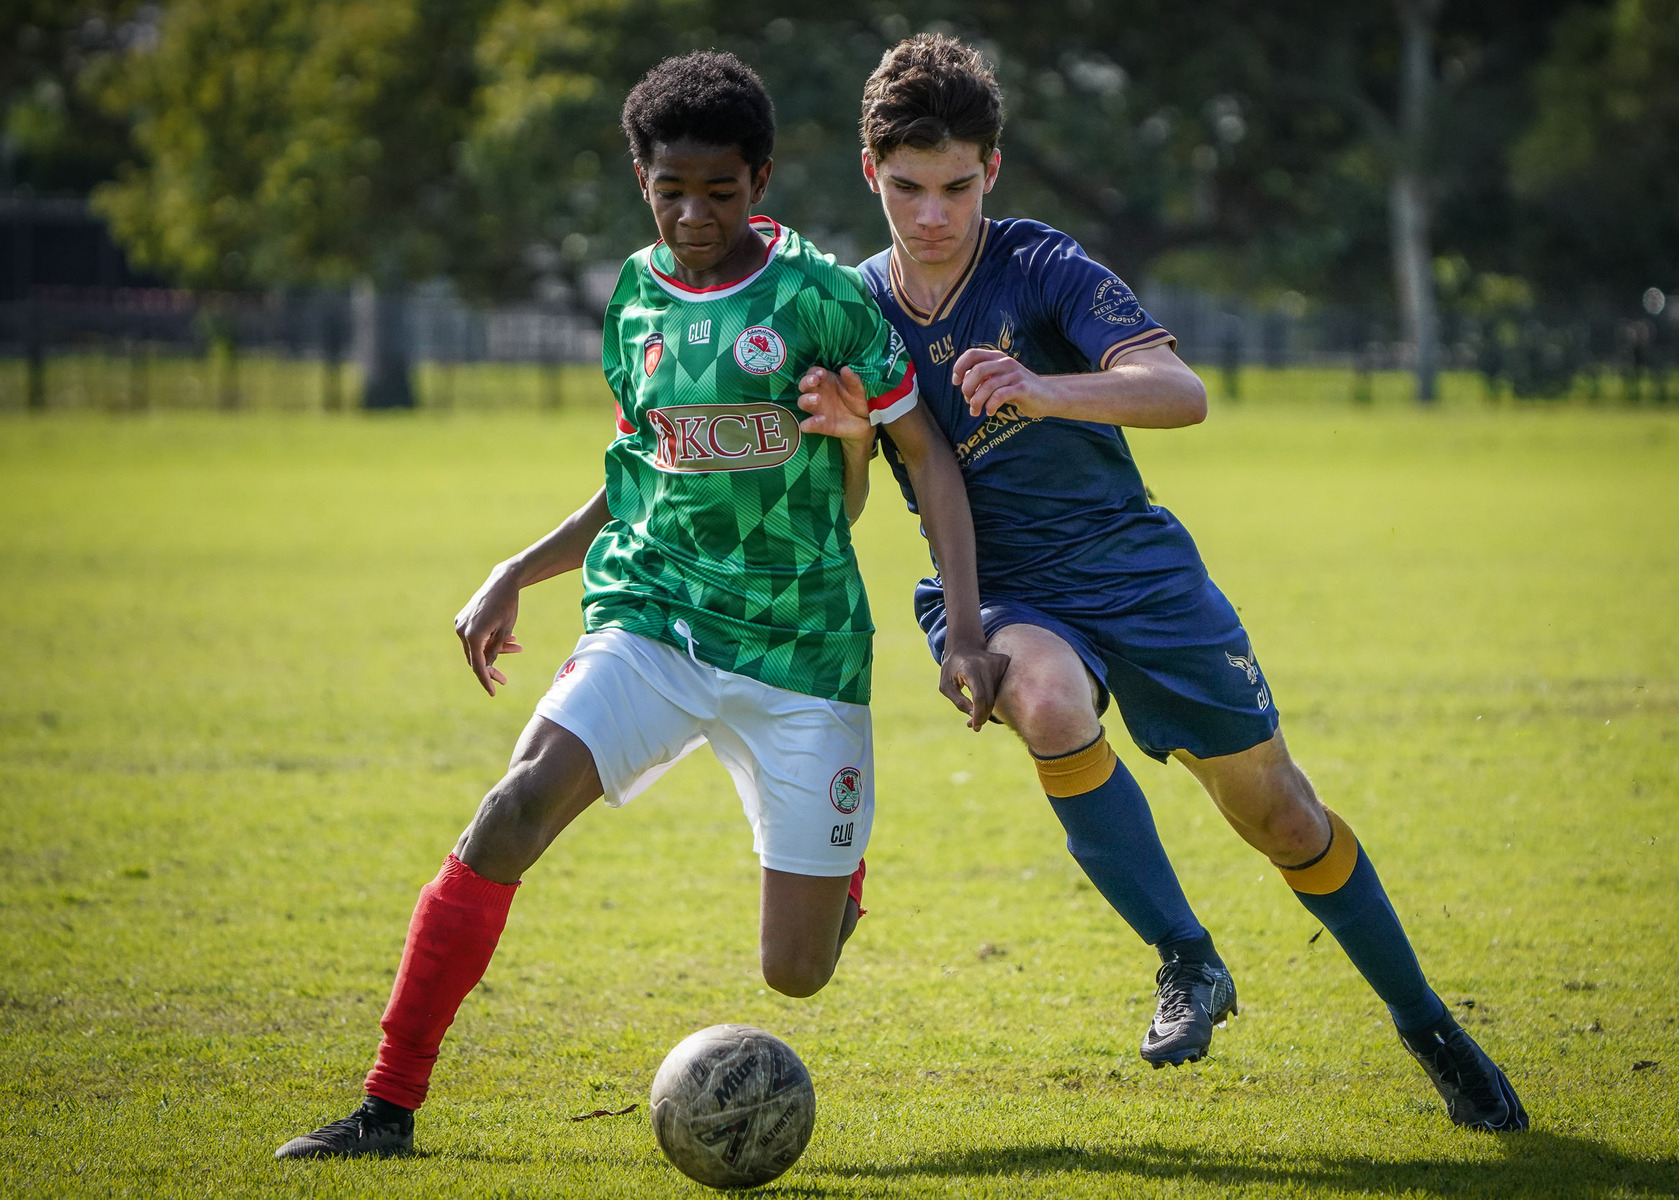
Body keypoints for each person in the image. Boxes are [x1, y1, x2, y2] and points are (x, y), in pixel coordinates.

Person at [274, 50, 1005, 1159]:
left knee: (796, 974)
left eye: (721, 191)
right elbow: (636, 469)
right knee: (508, 814)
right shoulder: (631, 296)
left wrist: (966, 625)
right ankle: (388, 1104)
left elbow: (930, 462)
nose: (695, 212)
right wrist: (516, 569)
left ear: (760, 180)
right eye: (672, 190)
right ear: (640, 177)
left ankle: (839, 870)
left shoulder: (821, 301)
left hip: (801, 653)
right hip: (651, 617)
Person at [800, 34, 1527, 1132]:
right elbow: (856, 501)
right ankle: (1188, 958)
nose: (933, 214)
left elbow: (1179, 392)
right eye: (908, 189)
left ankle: (1426, 1021)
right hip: (1003, 591)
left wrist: (1046, 390)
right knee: (1043, 699)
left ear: (991, 170)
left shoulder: (1040, 265)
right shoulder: (854, 308)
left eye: (956, 187)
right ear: (871, 172)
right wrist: (854, 439)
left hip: (1140, 576)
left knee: (1281, 819)